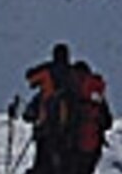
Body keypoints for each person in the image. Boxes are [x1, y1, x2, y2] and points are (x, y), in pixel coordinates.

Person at [22, 43, 78, 174]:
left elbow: (30, 78)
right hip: (70, 133)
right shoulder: (74, 74)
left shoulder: (47, 72)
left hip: (46, 131)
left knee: (42, 166)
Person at [66, 61, 113, 174]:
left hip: (74, 145)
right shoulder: (95, 94)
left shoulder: (72, 91)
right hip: (93, 148)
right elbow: (108, 122)